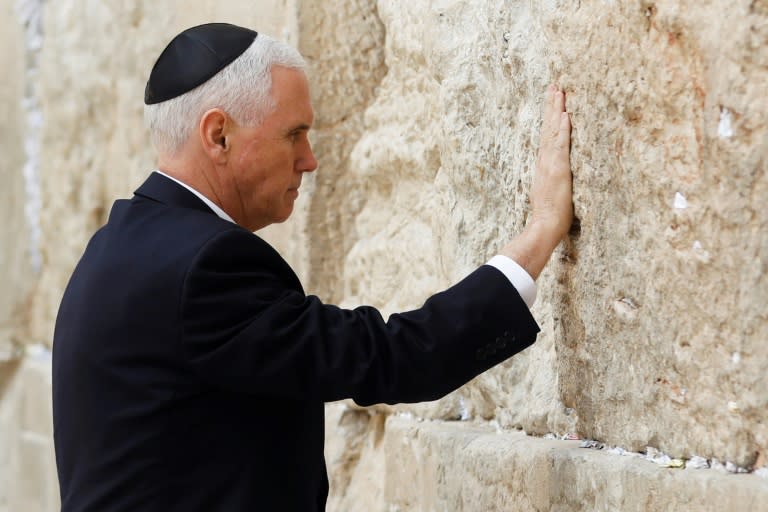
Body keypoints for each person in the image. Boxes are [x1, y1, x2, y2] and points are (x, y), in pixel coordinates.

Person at [52, 23, 572, 512]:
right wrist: (540, 235)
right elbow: (389, 357)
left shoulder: (116, 248)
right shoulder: (206, 269)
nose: (310, 159)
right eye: (293, 134)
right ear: (218, 135)